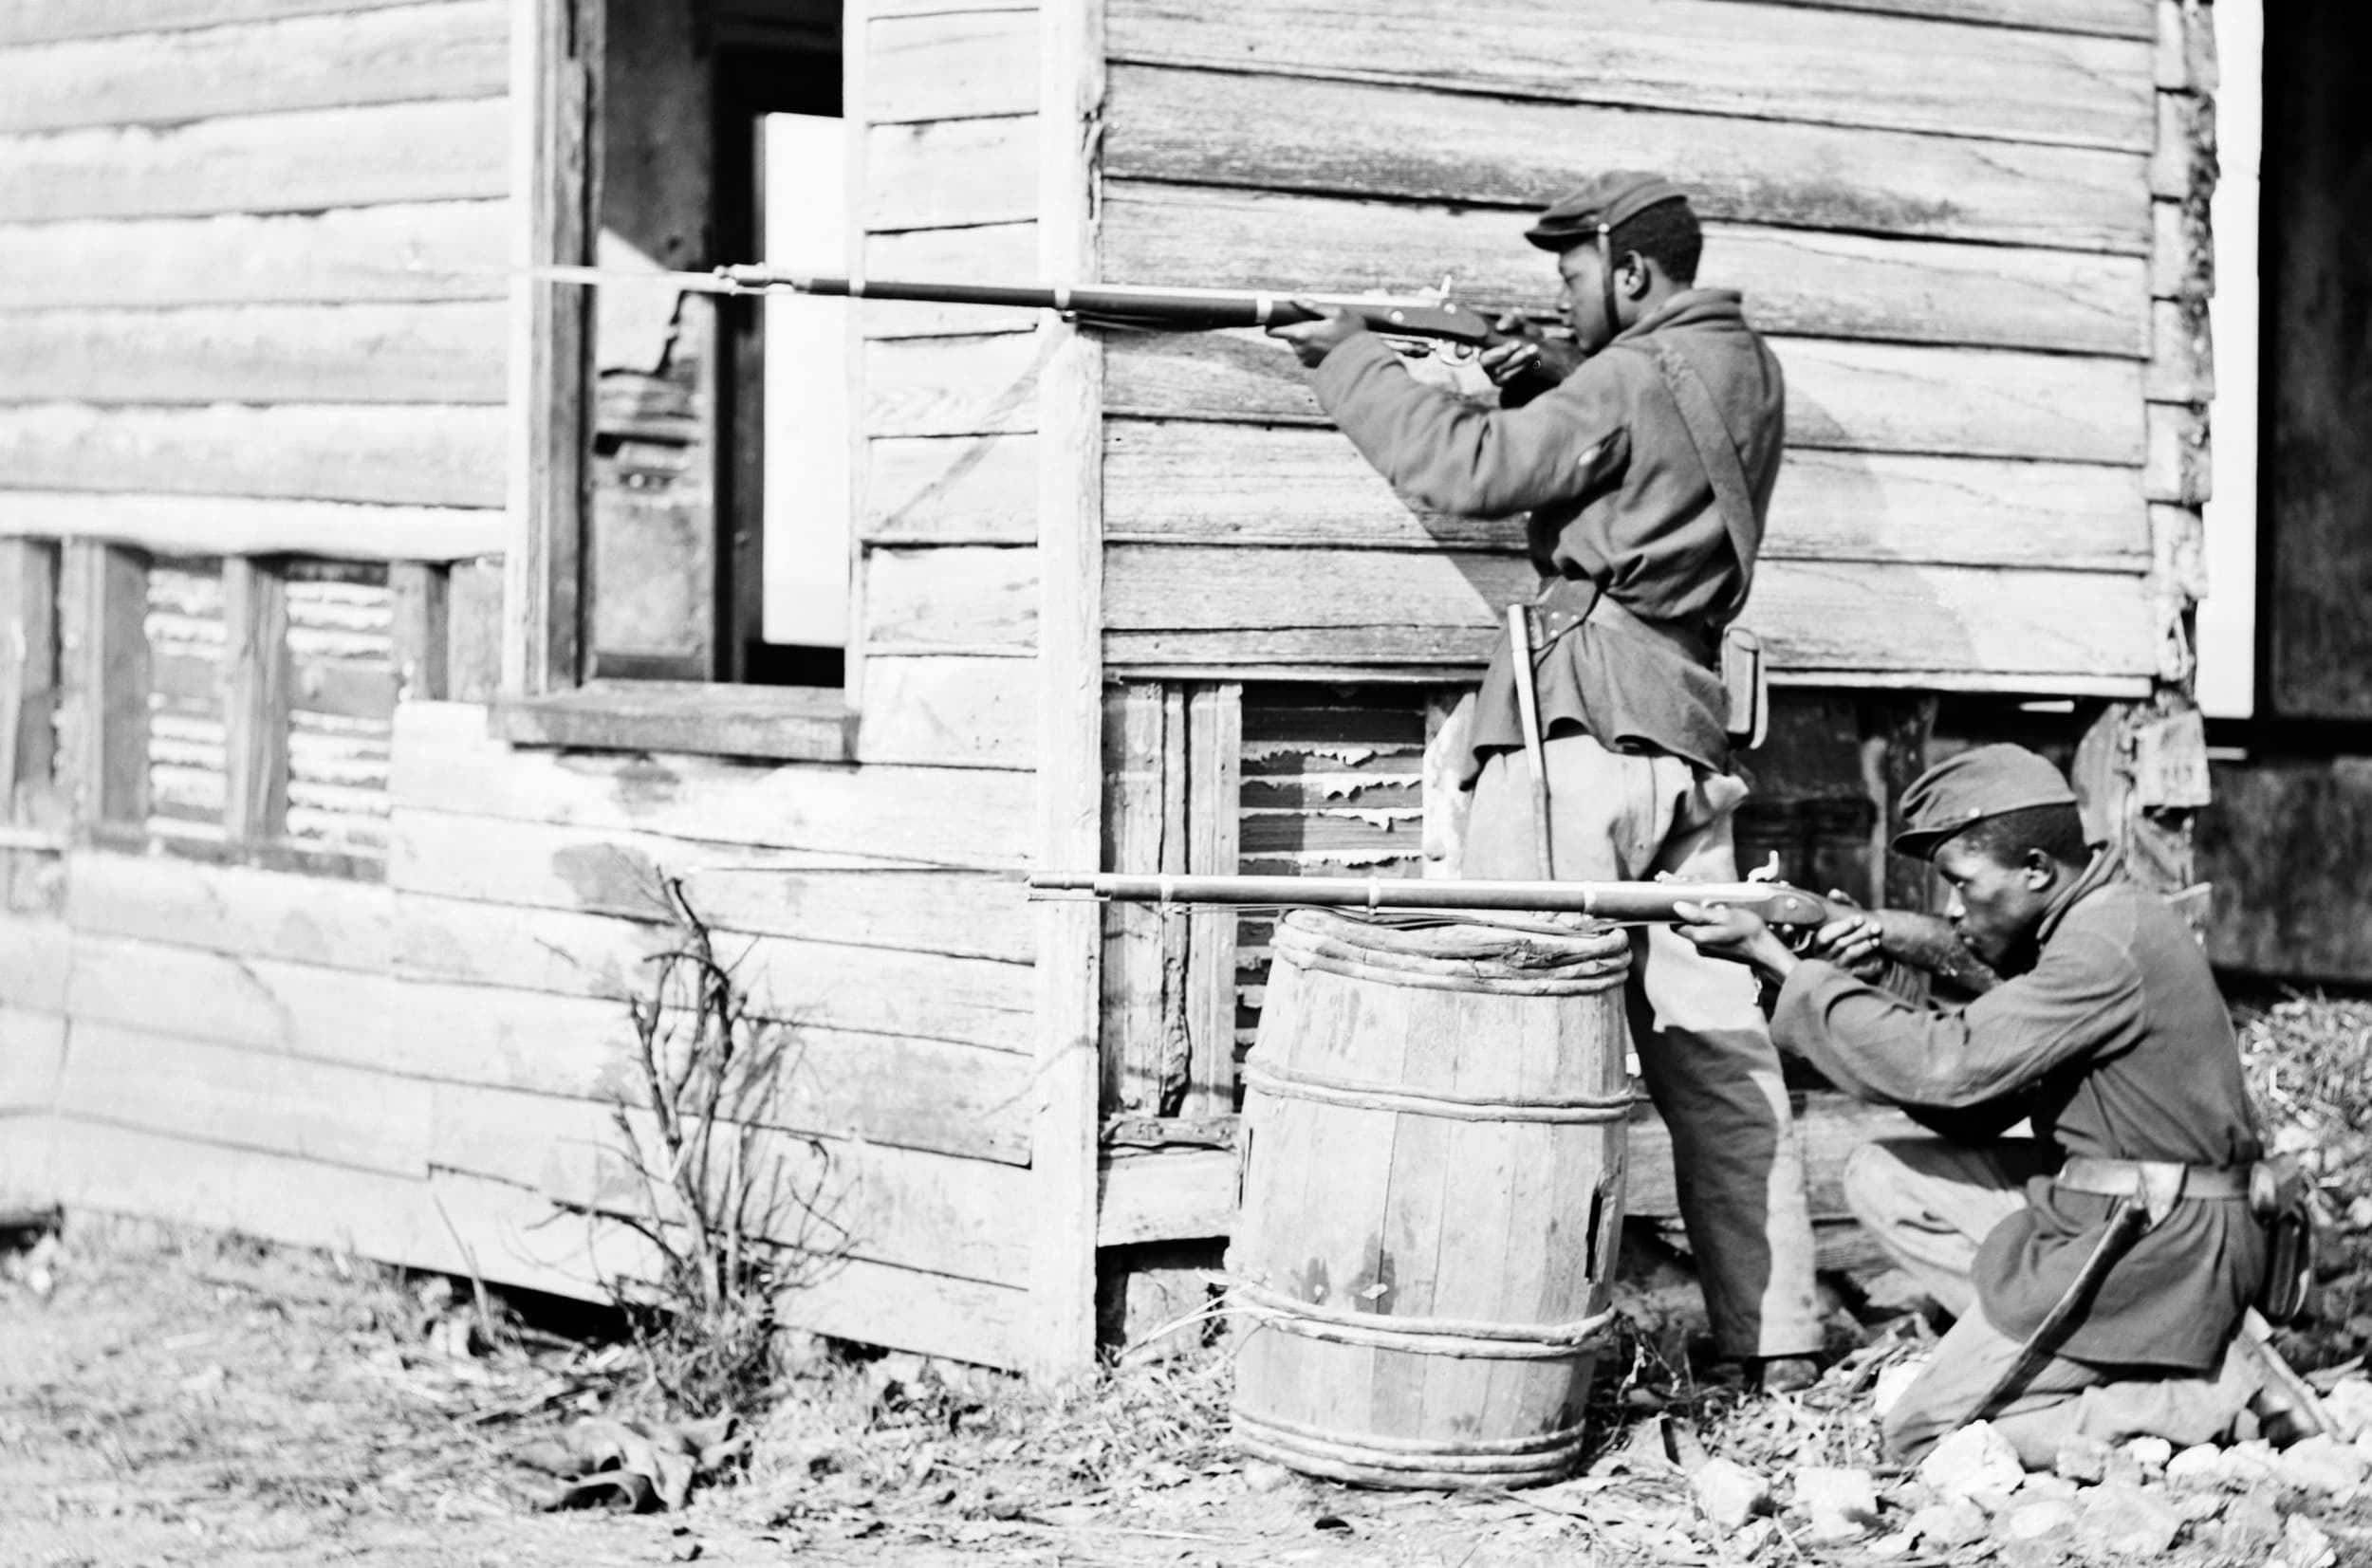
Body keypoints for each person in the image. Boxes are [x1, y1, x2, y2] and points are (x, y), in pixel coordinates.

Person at [1267, 173, 1825, 1388]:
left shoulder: (1624, 380)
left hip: (1578, 739)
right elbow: (1649, 466)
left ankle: (1494, 1349)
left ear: (1630, 273)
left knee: (1514, 1040)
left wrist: (1350, 357)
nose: (1565, 299)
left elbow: (1462, 471)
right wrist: (1551, 380)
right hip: (1686, 739)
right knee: (1717, 1052)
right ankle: (1775, 1337)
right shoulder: (1742, 366)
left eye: (1574, 278)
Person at [1674, 744, 2282, 1463]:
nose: (1954, 909)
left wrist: (1780, 963)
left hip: (2159, 1243)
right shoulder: (2094, 922)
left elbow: (1948, 1068)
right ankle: (2104, 1349)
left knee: (1917, 1431)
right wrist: (1872, 965)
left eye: (1963, 884)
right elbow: (1979, 1105)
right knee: (1883, 1174)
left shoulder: (2103, 944)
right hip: (2118, 1214)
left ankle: (2207, 1394)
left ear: (2036, 869)